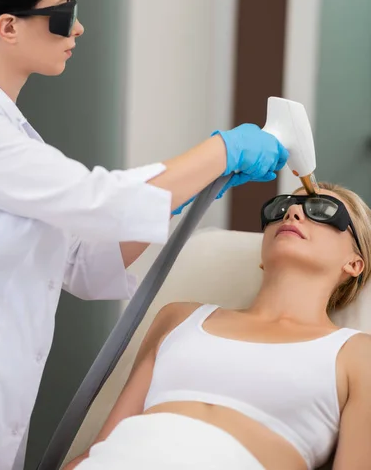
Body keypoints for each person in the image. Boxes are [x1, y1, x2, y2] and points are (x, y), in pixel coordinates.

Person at [0, 0, 289, 470]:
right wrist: (221, 150)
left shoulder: (10, 132)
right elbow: (97, 199)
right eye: (62, 13)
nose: (79, 28)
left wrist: (179, 200)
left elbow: (82, 262)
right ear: (8, 27)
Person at [65, 182, 371, 470]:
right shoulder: (179, 318)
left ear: (355, 263)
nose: (293, 213)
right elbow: (99, 448)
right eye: (280, 208)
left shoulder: (357, 354)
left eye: (323, 211)